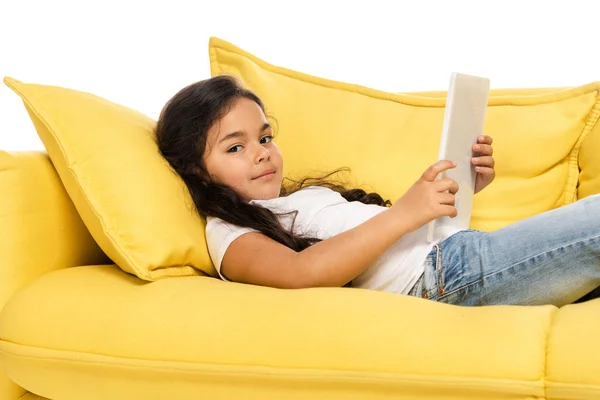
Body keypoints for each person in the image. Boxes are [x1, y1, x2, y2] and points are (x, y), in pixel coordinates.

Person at [155, 75, 600, 307]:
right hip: (446, 277)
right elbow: (300, 273)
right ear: (195, 169)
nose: (261, 153)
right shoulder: (227, 231)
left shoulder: (296, 201)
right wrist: (406, 213)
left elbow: (385, 242)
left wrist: (461, 190)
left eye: (265, 138)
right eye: (236, 146)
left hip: (458, 255)